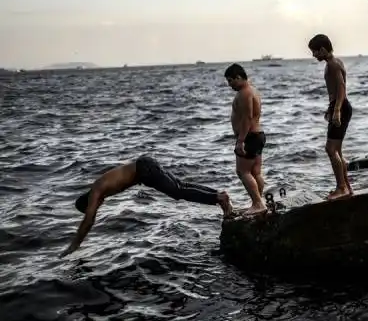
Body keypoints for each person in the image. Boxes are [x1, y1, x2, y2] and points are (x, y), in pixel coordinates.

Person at [60, 155, 234, 257]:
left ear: (88, 201)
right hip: (145, 166)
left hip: (144, 169)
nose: (97, 206)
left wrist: (74, 245)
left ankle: (218, 198)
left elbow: (88, 220)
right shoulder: (98, 190)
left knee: (178, 192)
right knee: (179, 187)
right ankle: (220, 196)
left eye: (93, 205)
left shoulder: (96, 191)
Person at [308, 34, 354, 200]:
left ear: (322, 49)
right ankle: (347, 187)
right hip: (339, 105)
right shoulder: (334, 62)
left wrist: (336, 110)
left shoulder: (333, 64)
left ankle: (341, 187)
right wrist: (332, 109)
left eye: (314, 52)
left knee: (331, 149)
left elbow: (341, 87)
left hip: (340, 106)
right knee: (337, 150)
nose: (314, 55)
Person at [225, 63, 267, 215]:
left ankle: (257, 203)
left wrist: (240, 141)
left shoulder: (244, 93)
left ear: (238, 77)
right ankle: (258, 203)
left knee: (243, 172)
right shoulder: (253, 90)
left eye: (230, 81)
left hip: (249, 137)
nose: (229, 85)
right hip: (258, 135)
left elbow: (247, 118)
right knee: (255, 172)